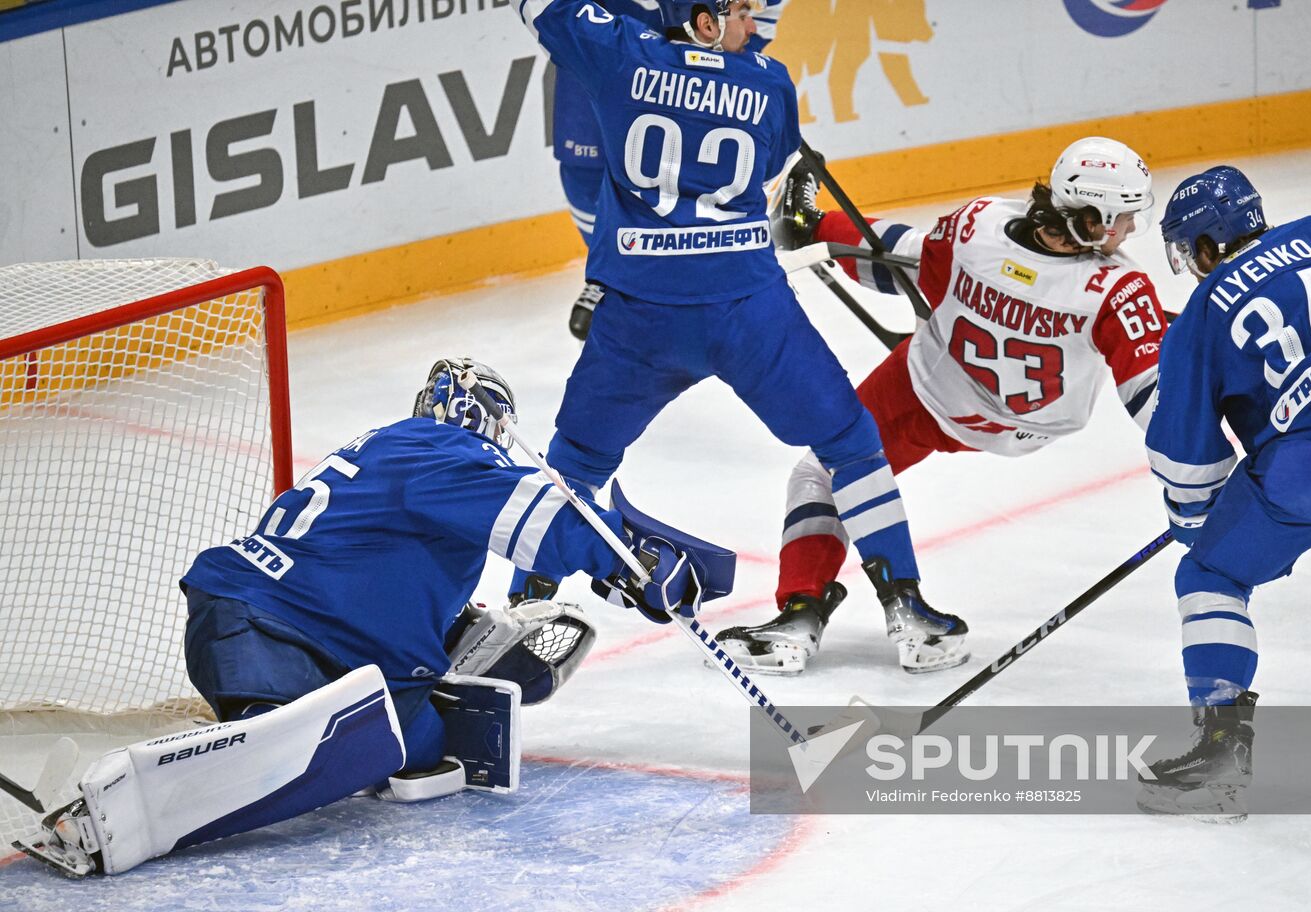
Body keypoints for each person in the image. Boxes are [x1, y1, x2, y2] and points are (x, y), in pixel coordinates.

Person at [15, 357, 726, 877]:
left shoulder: (386, 450)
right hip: (280, 634)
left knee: (413, 748)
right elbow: (538, 516)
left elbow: (377, 570)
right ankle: (101, 817)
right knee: (328, 752)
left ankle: (430, 681)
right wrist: (633, 557)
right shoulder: (438, 448)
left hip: (257, 628)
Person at [507, 0, 965, 670]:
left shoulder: (618, 58)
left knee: (576, 459)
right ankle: (907, 608)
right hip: (747, 313)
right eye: (742, 12)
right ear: (702, 21)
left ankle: (524, 610)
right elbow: (774, 158)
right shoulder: (770, 80)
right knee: (851, 443)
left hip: (640, 317)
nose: (755, 27)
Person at [718, 137, 1168, 674]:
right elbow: (1154, 398)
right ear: (1090, 218)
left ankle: (799, 613)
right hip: (1028, 424)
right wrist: (1200, 476)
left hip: (933, 392)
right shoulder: (1120, 289)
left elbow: (901, 264)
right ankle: (902, 618)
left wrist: (820, 232)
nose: (1126, 231)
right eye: (1120, 218)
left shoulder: (978, 225)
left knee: (822, 471)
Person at [1134, 167, 1311, 819]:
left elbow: (1184, 452)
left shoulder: (1200, 313)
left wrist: (1198, 524)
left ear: (1199, 246)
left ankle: (1221, 758)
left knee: (1210, 577)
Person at [551, 0, 786, 340]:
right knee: (584, 166)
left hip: (693, 44)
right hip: (607, 32)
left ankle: (712, 272)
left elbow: (765, 8)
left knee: (697, 165)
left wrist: (729, 56)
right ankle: (613, 278)